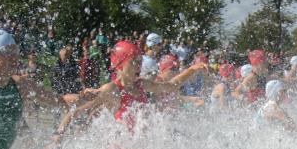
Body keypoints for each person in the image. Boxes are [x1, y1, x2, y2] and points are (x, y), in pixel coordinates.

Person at [53, 40, 208, 138]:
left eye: (140, 62)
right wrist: (58, 135)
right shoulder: (113, 89)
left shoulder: (141, 84)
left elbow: (170, 86)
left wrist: (192, 70)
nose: (139, 66)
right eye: (134, 62)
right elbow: (76, 110)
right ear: (120, 65)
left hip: (137, 145)